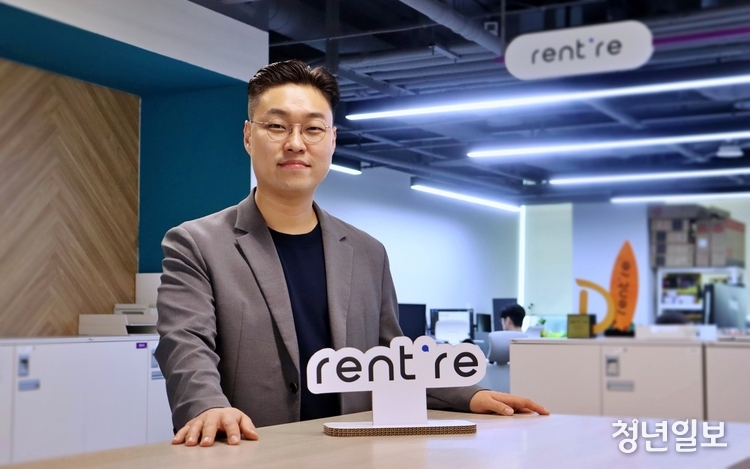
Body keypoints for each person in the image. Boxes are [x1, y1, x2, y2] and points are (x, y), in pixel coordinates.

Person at [155, 59, 548, 448]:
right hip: (252, 452)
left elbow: (392, 357)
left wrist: (471, 395)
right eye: (276, 126)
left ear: (332, 139)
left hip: (352, 452)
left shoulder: (368, 253)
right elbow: (185, 344)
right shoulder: (196, 244)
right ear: (247, 135)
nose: (295, 143)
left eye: (312, 129)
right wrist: (207, 405)